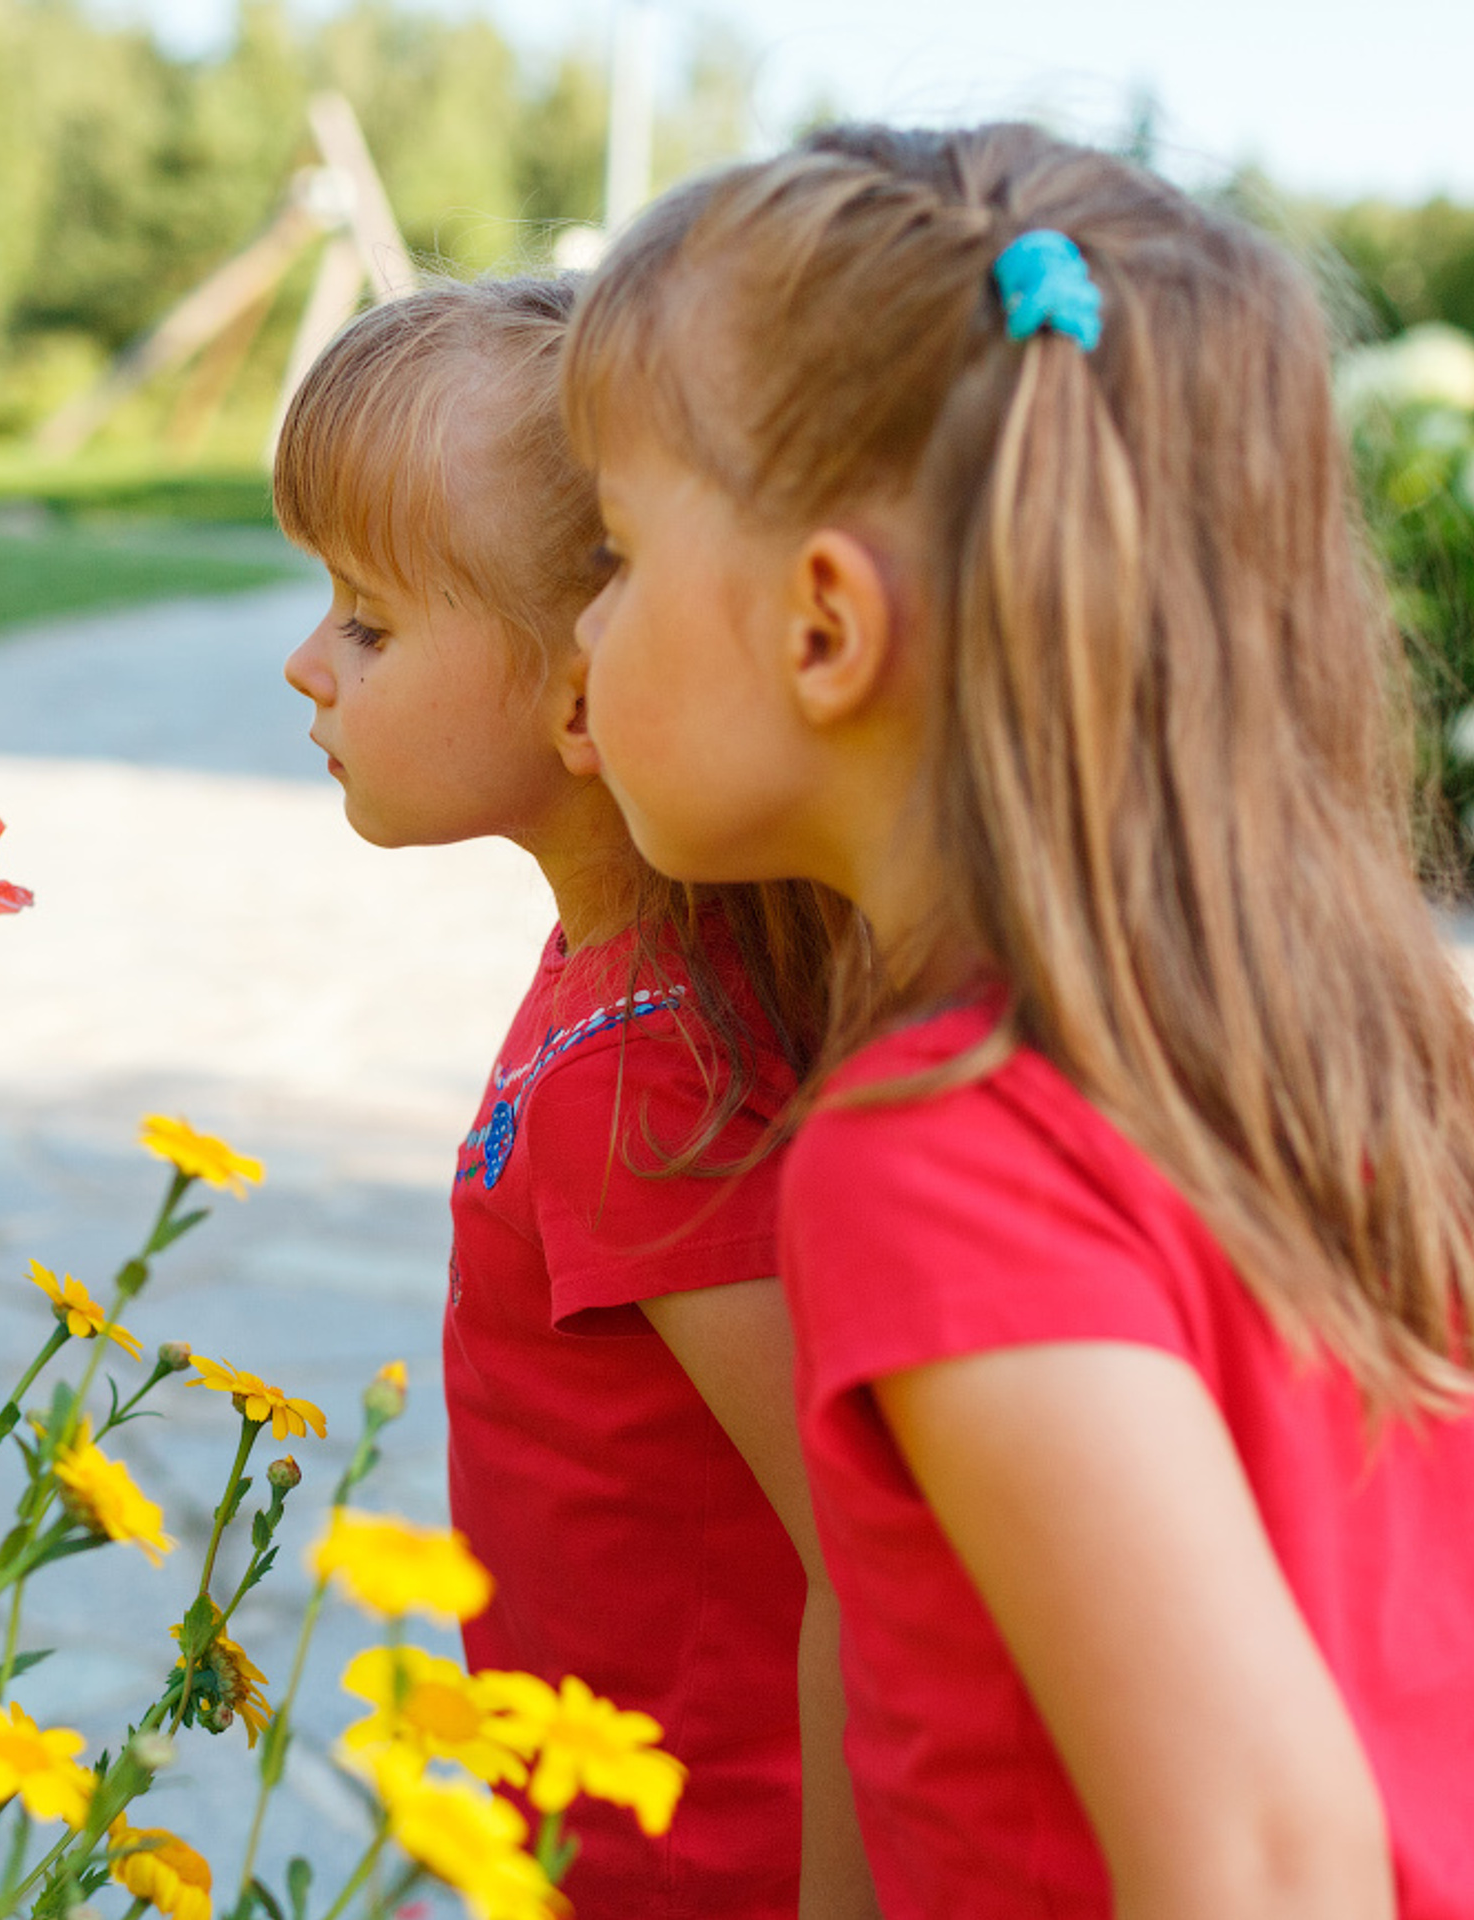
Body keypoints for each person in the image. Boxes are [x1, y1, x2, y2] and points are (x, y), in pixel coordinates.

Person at [562, 124, 1474, 1919]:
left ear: (826, 627)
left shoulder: (946, 1155)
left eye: (612, 550)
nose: (581, 631)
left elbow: (1271, 1867)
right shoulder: (1330, 1048)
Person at [273, 276, 878, 1918]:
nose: (306, 664)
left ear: (586, 688)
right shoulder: (625, 978)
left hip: (698, 1877)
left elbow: (869, 1552)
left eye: (368, 623)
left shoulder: (645, 1082)